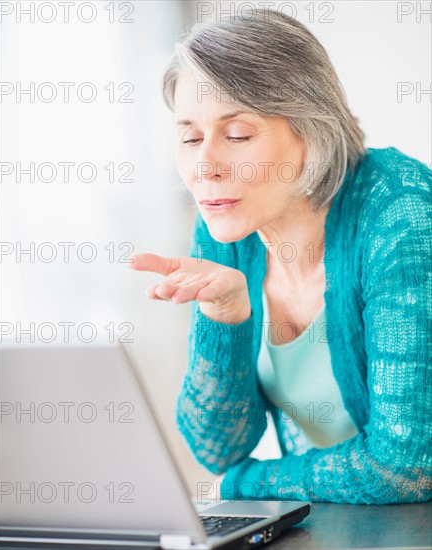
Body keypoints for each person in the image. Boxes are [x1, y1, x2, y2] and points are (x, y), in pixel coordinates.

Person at [129, 9, 431, 504]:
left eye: (238, 135)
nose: (204, 165)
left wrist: (250, 485)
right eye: (189, 137)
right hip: (341, 525)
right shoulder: (227, 227)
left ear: (310, 131)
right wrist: (224, 319)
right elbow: (217, 446)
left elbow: (408, 465)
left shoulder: (398, 209)